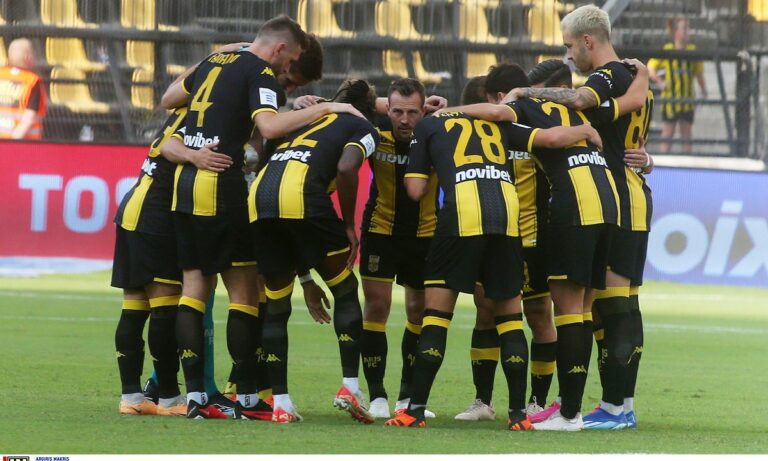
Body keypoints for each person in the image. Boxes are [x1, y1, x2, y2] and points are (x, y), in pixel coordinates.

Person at [160, 15, 363, 420]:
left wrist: (224, 54)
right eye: (292, 59)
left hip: (184, 182)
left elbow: (169, 98)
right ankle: (248, 398)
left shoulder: (213, 61)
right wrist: (329, 107)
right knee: (244, 292)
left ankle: (196, 396)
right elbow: (269, 128)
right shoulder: (261, 71)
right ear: (281, 48)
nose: (288, 68)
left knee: (194, 288)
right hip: (221, 181)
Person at [384, 99, 602, 431]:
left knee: (436, 317)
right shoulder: (500, 126)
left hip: (461, 216)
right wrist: (586, 130)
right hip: (507, 217)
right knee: (510, 320)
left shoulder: (429, 126)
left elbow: (415, 189)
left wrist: (437, 164)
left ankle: (414, 410)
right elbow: (551, 138)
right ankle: (518, 415)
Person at [504, 4, 654, 430]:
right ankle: (619, 404)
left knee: (612, 308)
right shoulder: (635, 78)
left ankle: (613, 407)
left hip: (613, 195)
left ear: (588, 40)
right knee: (622, 306)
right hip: (632, 192)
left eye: (570, 47)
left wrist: (525, 93)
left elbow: (580, 99)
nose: (569, 56)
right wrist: (647, 160)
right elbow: (630, 116)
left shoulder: (606, 77)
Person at [248, 79, 379, 424]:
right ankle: (350, 387)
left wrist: (306, 278)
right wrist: (348, 225)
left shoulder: (303, 119)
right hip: (305, 197)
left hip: (260, 200)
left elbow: (262, 160)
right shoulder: (362, 126)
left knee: (276, 304)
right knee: (345, 289)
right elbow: (347, 167)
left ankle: (280, 404)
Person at [355, 78, 439, 419]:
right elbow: (352, 98)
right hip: (380, 231)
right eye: (397, 112)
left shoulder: (437, 132)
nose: (405, 120)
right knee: (377, 306)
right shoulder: (374, 131)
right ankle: (377, 395)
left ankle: (407, 396)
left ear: (424, 110)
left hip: (425, 233)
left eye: (413, 112)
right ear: (386, 109)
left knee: (418, 311)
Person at [648, 16, 707, 154]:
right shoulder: (667, 50)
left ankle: (687, 162)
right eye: (685, 29)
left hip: (687, 100)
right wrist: (660, 82)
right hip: (671, 100)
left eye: (688, 28)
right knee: (668, 133)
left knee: (686, 135)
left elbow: (699, 74)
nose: (688, 32)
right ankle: (663, 161)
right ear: (676, 32)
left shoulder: (693, 51)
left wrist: (704, 90)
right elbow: (650, 68)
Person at [0, 38, 46, 139]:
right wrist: (12, 143)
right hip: (23, 143)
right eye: (33, 54)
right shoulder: (32, 81)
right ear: (28, 58)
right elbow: (28, 119)